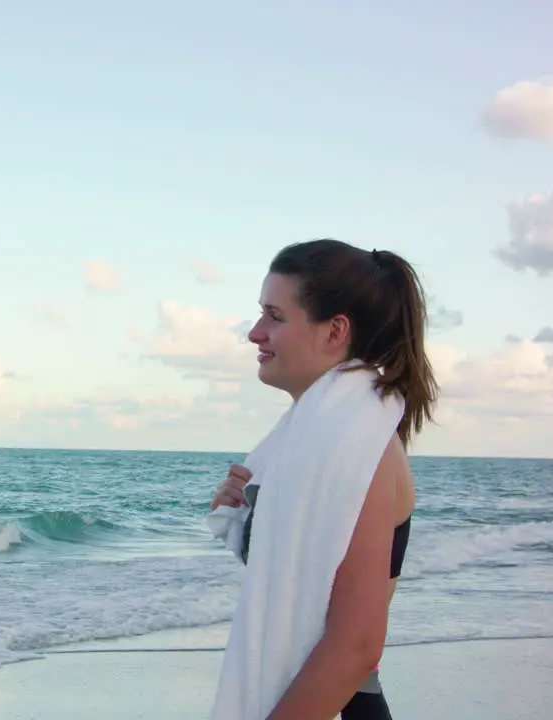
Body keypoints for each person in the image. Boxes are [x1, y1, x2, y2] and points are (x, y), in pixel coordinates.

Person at [210, 238, 437, 720]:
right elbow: (308, 590)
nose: (255, 332)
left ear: (335, 331)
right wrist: (247, 521)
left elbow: (355, 644)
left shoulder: (361, 446)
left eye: (274, 315)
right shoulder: (317, 440)